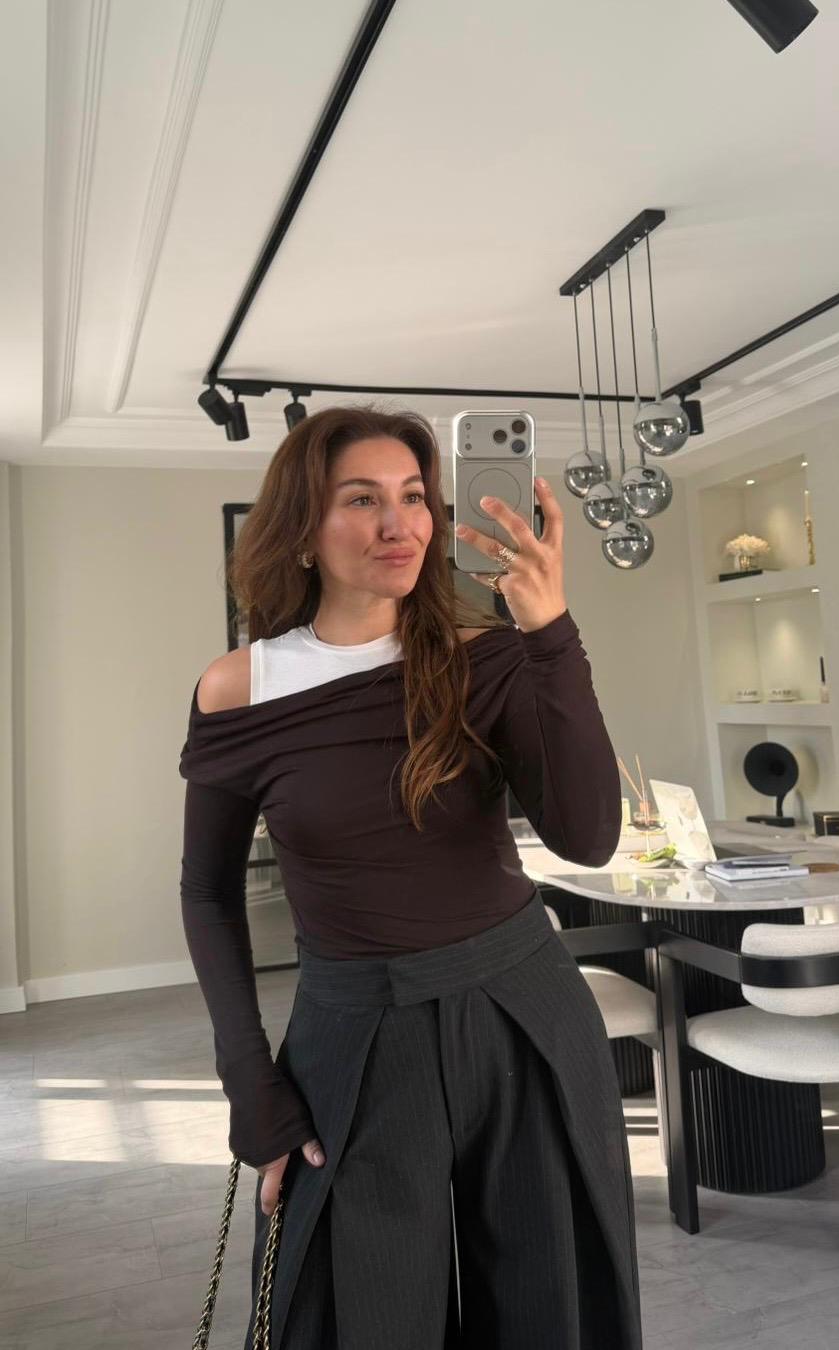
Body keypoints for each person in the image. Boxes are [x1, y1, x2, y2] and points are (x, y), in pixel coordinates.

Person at [178, 405, 642, 1349]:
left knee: (551, 1312)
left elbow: (591, 837)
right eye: (362, 500)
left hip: (524, 1014)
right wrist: (248, 1080)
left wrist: (550, 632)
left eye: (415, 497)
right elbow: (207, 891)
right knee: (365, 1313)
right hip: (355, 1032)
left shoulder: (489, 657)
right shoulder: (238, 688)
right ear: (302, 528)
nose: (400, 524)